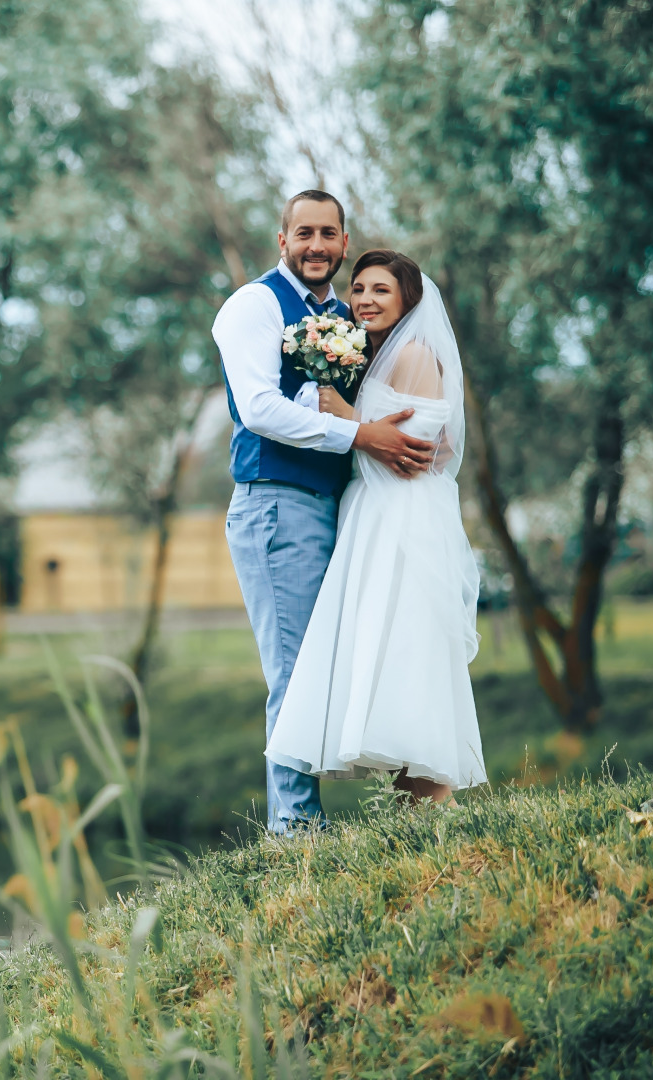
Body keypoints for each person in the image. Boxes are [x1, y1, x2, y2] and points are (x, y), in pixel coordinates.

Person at [215, 192, 437, 834]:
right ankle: (296, 835)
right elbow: (257, 406)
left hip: (344, 507)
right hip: (277, 504)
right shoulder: (253, 306)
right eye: (304, 233)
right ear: (281, 239)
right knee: (294, 668)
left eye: (329, 234)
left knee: (349, 662)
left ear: (343, 242)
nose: (318, 245)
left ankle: (407, 804)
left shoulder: (344, 313)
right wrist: (362, 438)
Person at [265, 250, 486, 802]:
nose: (363, 299)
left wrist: (339, 410)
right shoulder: (381, 354)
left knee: (408, 650)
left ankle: (432, 805)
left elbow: (421, 449)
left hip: (401, 517)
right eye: (358, 288)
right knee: (388, 652)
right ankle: (414, 809)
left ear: (407, 298)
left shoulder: (413, 353)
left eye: (380, 290)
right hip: (374, 511)